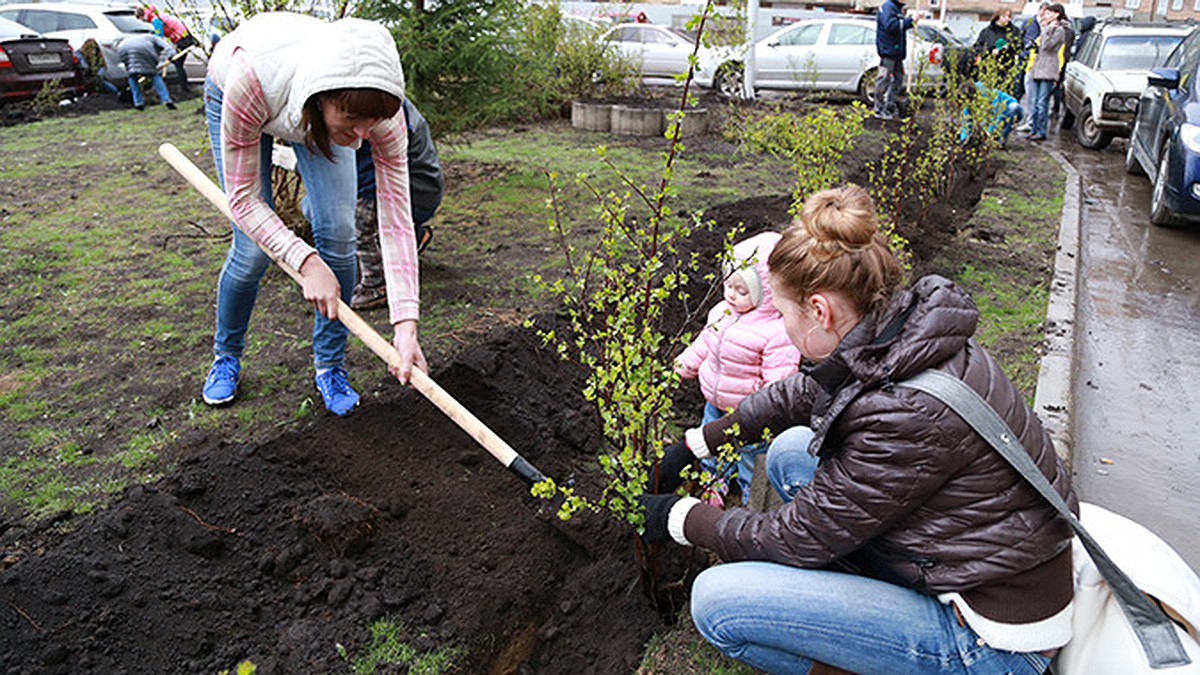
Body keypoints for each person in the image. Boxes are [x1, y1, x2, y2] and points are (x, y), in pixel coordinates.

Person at [639, 184, 1076, 674]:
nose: (783, 328)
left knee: (716, 602)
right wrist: (697, 442)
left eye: (784, 314)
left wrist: (683, 518)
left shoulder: (903, 415)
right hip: (983, 563)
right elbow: (800, 396)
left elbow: (792, 539)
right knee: (790, 451)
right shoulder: (904, 333)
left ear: (821, 310)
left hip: (988, 641)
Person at [201, 12, 426, 415]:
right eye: (353, 119)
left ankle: (330, 365)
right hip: (248, 94)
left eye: (371, 121)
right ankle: (227, 355)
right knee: (252, 252)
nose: (363, 134)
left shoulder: (379, 115)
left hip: (314, 107)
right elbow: (243, 198)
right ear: (323, 100)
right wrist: (304, 261)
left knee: (340, 234)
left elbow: (396, 218)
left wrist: (405, 325)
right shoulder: (252, 79)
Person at [673, 232, 800, 507]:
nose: (731, 294)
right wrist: (684, 365)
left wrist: (765, 412)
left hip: (748, 415)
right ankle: (715, 483)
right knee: (710, 446)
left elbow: (779, 382)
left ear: (767, 292)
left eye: (742, 291)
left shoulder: (777, 333)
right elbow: (704, 343)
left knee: (750, 458)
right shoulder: (721, 313)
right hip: (714, 402)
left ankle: (749, 498)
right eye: (728, 285)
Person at [351, 100, 444, 311]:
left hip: (415, 190)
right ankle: (417, 236)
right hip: (421, 187)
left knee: (357, 223)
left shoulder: (377, 110)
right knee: (313, 207)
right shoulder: (382, 99)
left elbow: (368, 178)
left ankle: (376, 285)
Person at [138, 4, 201, 95]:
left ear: (142, 16)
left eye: (140, 19)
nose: (142, 21)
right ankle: (184, 86)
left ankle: (184, 88)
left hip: (182, 38)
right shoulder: (157, 16)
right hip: (182, 36)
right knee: (177, 63)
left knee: (178, 63)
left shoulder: (155, 20)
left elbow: (159, 37)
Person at [1029, 3, 1067, 142]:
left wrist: (1046, 30)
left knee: (1042, 102)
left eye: (1050, 13)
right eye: (1046, 13)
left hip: (1048, 68)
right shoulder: (1048, 28)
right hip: (1038, 67)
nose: (1046, 15)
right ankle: (1034, 129)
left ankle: (1041, 131)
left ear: (1057, 14)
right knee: (1034, 101)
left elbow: (1046, 46)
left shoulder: (1059, 30)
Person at [874, 0, 915, 120]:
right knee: (884, 79)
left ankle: (889, 106)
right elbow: (891, 26)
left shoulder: (895, 8)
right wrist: (910, 21)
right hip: (888, 51)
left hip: (896, 52)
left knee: (898, 78)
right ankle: (879, 108)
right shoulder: (888, 7)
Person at [117, 34, 176, 111]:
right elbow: (167, 46)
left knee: (132, 75)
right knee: (153, 75)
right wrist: (171, 55)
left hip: (123, 48)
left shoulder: (135, 37)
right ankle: (167, 100)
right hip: (145, 49)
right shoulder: (155, 38)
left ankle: (138, 103)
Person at [960, 80, 1024, 146]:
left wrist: (990, 132)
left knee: (1013, 108)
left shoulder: (990, 96)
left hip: (1010, 112)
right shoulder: (969, 101)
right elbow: (967, 121)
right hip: (991, 117)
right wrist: (964, 138)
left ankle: (1001, 139)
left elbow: (997, 114)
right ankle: (992, 138)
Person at [972, 8, 1021, 92]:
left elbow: (1019, 46)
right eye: (1004, 16)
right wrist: (990, 51)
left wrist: (1009, 48)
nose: (1007, 19)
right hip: (989, 68)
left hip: (1007, 68)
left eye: (1009, 16)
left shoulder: (1014, 31)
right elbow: (977, 47)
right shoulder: (987, 32)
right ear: (997, 17)